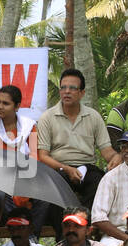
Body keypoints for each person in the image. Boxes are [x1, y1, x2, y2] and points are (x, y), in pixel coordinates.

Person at [36, 68, 120, 207]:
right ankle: (62, 228)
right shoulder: (47, 117)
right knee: (56, 189)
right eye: (63, 87)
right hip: (59, 169)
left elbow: (106, 151)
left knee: (101, 184)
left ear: (82, 93)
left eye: (73, 88)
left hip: (87, 168)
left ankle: (88, 225)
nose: (67, 91)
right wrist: (65, 168)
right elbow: (43, 156)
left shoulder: (93, 116)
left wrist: (116, 157)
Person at [0, 84, 48, 229]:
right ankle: (18, 230)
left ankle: (32, 235)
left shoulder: (29, 127)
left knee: (44, 199)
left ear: (17, 106)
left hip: (25, 175)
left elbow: (34, 158)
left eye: (5, 103)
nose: (0, 106)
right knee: (2, 193)